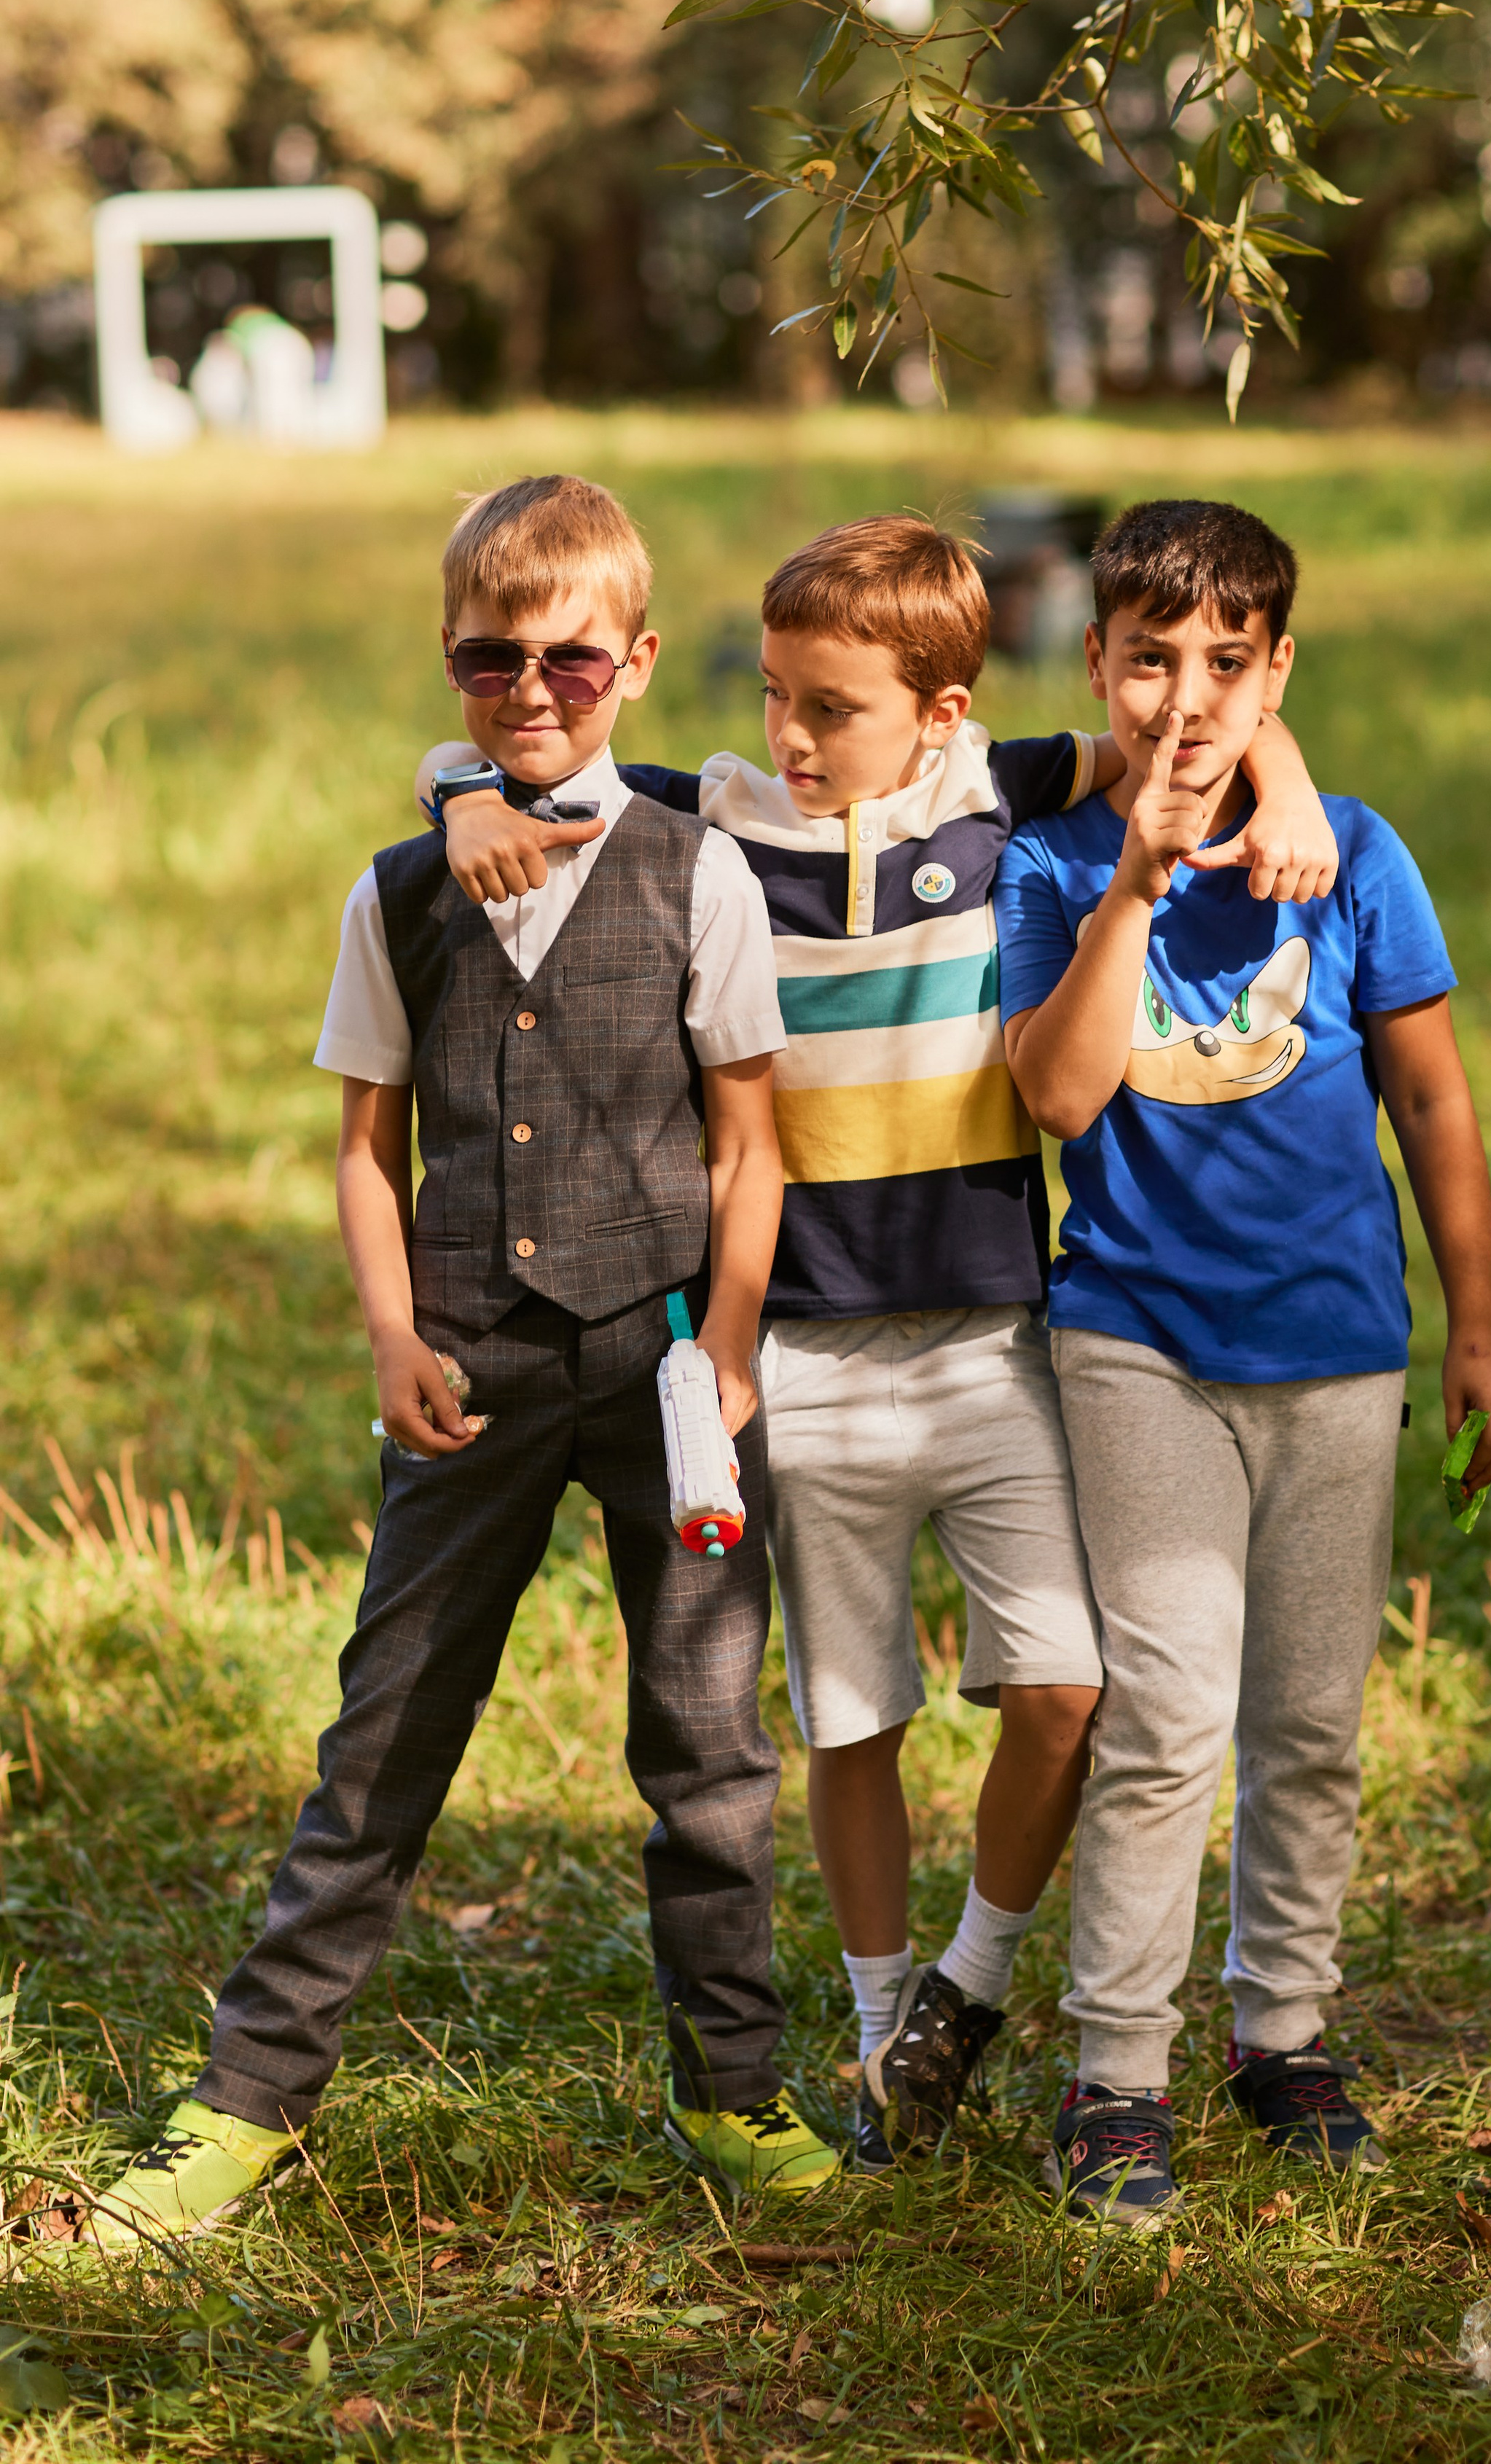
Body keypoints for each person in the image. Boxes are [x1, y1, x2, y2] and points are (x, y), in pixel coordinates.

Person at [429, 512, 1339, 2172]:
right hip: (802, 1358)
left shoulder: (996, 794)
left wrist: (1274, 778)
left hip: (993, 1343)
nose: (787, 733)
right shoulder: (711, 817)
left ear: (939, 713)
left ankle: (968, 1986)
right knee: (851, 1719)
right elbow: (518, 751)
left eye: (827, 707)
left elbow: (1185, 726)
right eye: (775, 695)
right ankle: (872, 2034)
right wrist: (462, 792)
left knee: (1065, 1688)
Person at [83, 474, 838, 2251]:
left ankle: (731, 2091)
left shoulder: (697, 870)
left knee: (707, 1747)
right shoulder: (401, 891)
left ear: (636, 663)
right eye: (492, 661)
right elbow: (366, 1145)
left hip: (667, 1369)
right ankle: (245, 2101)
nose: (531, 689)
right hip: (471, 1365)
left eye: (570, 660)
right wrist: (392, 1333)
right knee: (385, 1734)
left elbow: (751, 1143)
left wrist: (726, 1351)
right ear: (453, 662)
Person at [996, 498, 1491, 2228]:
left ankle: (1282, 2033)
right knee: (1164, 1718)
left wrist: (1475, 1325)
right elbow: (1061, 1096)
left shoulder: (1354, 853)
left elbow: (1432, 1100)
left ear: (1277, 671)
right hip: (1134, 1339)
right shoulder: (1059, 862)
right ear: (1094, 662)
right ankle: (1116, 2078)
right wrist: (1138, 884)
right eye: (1148, 659)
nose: (1184, 696)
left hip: (1333, 1351)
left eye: (1226, 663)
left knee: (1306, 1718)